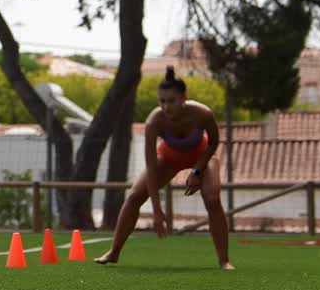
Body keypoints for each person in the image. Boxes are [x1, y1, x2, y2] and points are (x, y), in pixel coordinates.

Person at [95, 67, 234, 270]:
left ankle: (224, 261)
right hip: (169, 157)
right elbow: (151, 167)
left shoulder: (202, 114)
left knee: (213, 199)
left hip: (201, 156)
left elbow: (214, 142)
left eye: (171, 101)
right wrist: (157, 211)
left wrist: (197, 171)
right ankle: (114, 252)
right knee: (134, 196)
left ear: (184, 98)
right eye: (162, 101)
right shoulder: (154, 122)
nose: (166, 107)